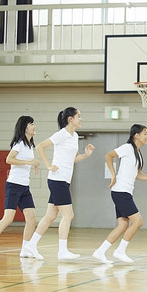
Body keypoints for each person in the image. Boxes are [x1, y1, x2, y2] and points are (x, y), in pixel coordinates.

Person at [23, 107, 95, 261]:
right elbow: (40, 146)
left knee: (50, 216)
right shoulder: (61, 134)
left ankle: (31, 245)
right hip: (57, 180)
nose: (81, 119)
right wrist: (48, 165)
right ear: (70, 119)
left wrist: (86, 155)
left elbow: (74, 159)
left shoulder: (74, 136)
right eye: (79, 116)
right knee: (68, 215)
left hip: (63, 180)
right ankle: (62, 251)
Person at [93, 124, 147, 264]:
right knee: (138, 221)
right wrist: (113, 174)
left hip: (125, 192)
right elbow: (108, 155)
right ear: (136, 135)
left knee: (123, 225)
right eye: (145, 133)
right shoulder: (127, 148)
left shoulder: (138, 153)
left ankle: (100, 251)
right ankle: (120, 251)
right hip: (120, 192)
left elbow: (137, 174)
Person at [0, 116, 40, 259]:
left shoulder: (29, 145)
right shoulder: (19, 143)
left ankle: (25, 249)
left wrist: (33, 164)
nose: (34, 126)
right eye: (31, 124)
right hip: (14, 185)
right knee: (8, 218)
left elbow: (28, 162)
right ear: (25, 127)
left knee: (32, 218)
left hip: (24, 187)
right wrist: (29, 162)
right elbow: (9, 159)